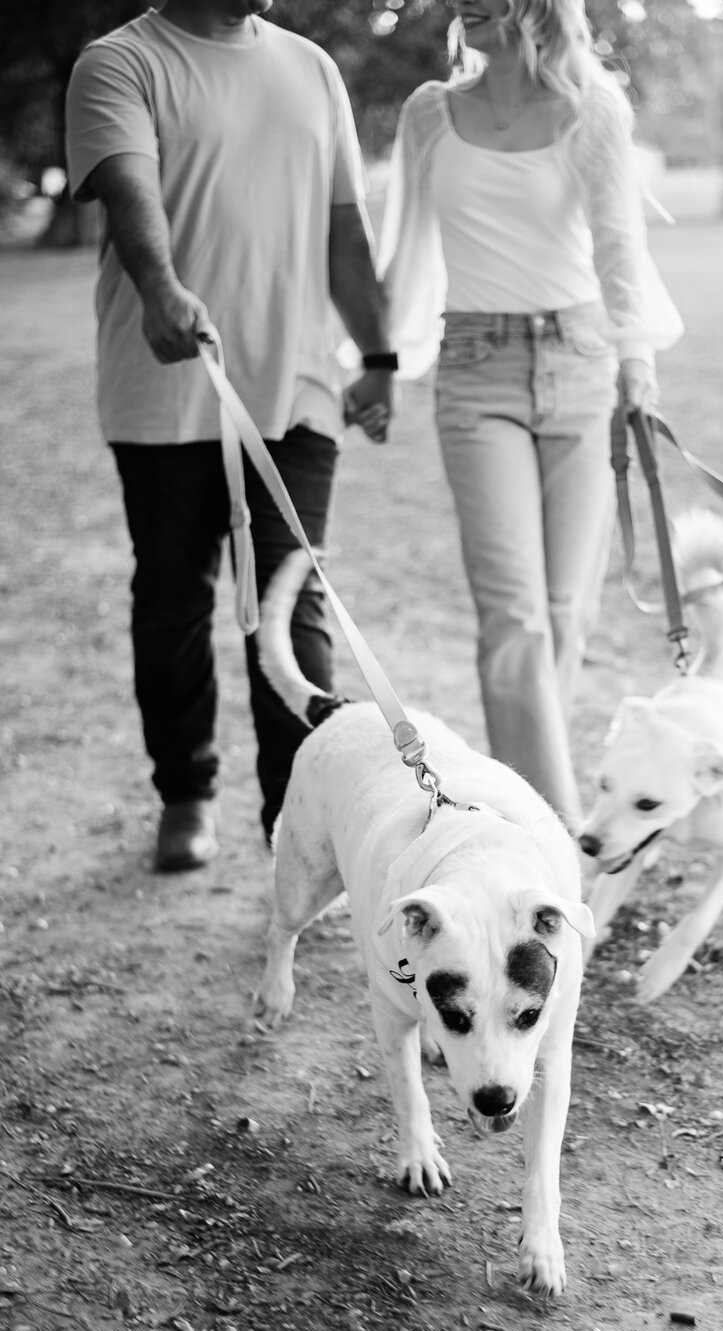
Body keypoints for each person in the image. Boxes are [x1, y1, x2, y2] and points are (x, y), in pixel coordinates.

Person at [66, 0, 396, 871]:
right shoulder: (120, 62)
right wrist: (161, 287)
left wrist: (380, 354)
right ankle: (185, 791)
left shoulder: (312, 67)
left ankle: (295, 823)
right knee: (174, 597)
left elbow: (343, 228)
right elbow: (130, 187)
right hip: (169, 387)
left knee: (294, 599)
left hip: (299, 388)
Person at [376, 0, 683, 830]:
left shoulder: (593, 109)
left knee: (563, 615)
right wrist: (380, 358)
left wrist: (637, 366)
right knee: (511, 617)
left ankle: (525, 805)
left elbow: (620, 247)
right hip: (475, 370)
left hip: (582, 364)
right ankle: (546, 833)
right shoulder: (430, 113)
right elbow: (406, 244)